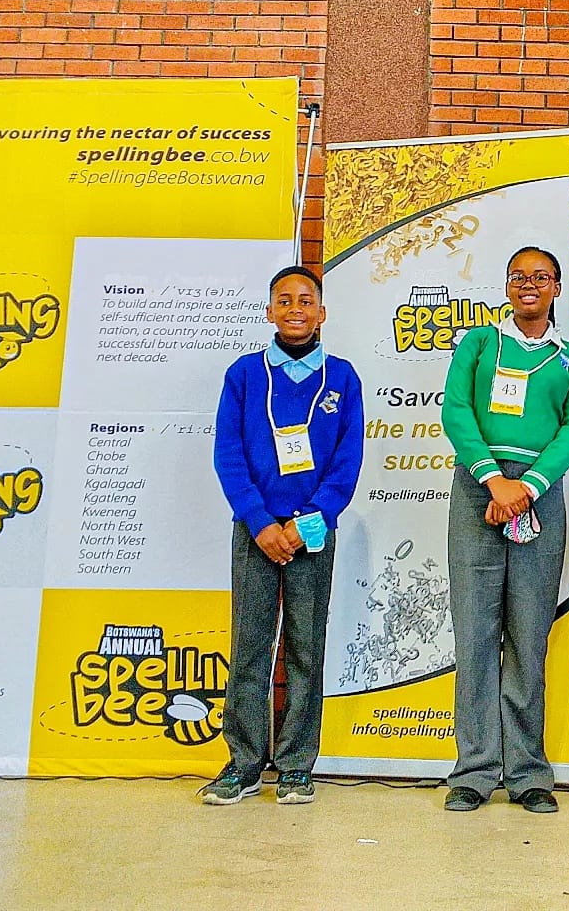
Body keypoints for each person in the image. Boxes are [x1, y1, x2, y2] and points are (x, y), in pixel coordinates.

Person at [201, 266, 364, 806]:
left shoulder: (343, 378)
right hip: (256, 532)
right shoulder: (245, 375)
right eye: (284, 300)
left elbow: (347, 462)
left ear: (322, 313)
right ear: (269, 311)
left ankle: (295, 765)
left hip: (311, 533)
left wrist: (307, 521)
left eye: (306, 300)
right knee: (249, 647)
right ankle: (244, 763)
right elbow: (228, 455)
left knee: (305, 648)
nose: (295, 309)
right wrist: (260, 522)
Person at [440, 247, 569, 813]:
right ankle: (475, 770)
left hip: (539, 495)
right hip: (477, 491)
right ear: (507, 286)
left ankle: (529, 772)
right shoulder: (480, 343)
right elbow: (456, 410)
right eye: (518, 276)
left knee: (529, 637)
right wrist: (493, 481)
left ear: (557, 287)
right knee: (475, 635)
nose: (529, 284)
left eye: (540, 277)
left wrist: (525, 488)